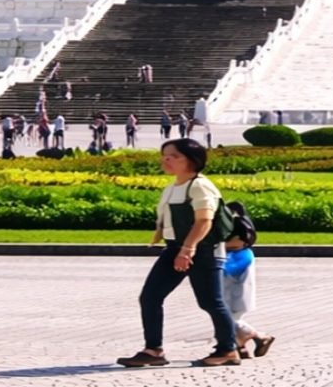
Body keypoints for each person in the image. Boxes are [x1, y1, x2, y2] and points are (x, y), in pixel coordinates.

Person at [116, 138, 240, 367]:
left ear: (192, 160)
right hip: (175, 247)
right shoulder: (173, 186)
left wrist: (188, 249)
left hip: (201, 249)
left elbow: (204, 221)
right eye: (164, 155)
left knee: (210, 302)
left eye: (174, 156)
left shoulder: (199, 185)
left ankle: (228, 349)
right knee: (150, 297)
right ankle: (153, 350)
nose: (166, 160)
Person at [222, 201, 274, 358]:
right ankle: (240, 347)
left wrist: (217, 246)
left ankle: (259, 336)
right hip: (234, 287)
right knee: (229, 316)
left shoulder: (239, 251)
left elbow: (238, 242)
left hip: (236, 288)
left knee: (226, 317)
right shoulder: (239, 254)